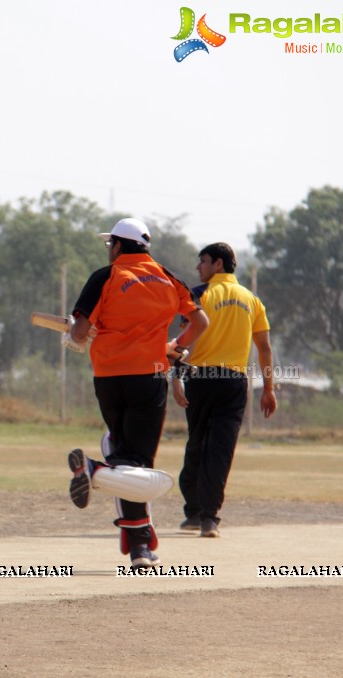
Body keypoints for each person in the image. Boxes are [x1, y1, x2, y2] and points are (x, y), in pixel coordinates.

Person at [64, 218, 208, 569]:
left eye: (109, 244)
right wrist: (175, 345)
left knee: (128, 457)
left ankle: (140, 544)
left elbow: (81, 332)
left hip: (110, 378)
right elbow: (200, 322)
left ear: (117, 245)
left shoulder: (105, 276)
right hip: (149, 376)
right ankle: (98, 474)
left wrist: (71, 337)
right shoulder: (166, 277)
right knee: (137, 463)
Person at [171, 242, 276, 539]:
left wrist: (176, 379)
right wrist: (268, 388)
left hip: (201, 379)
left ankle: (195, 512)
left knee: (197, 446)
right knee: (220, 452)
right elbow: (264, 348)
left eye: (202, 261)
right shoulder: (252, 299)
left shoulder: (199, 295)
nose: (198, 267)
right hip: (234, 383)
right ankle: (209, 518)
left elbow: (184, 342)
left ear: (218, 264)